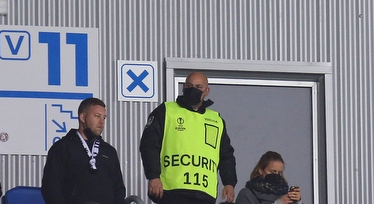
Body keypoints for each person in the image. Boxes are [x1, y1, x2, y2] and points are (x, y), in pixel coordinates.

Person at [139, 71, 236, 204]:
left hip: (204, 195)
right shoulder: (166, 111)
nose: (193, 90)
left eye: (198, 87)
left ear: (207, 91)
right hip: (172, 193)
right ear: (184, 87)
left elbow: (226, 156)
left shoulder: (216, 120)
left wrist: (229, 183)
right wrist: (153, 176)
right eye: (189, 85)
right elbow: (149, 145)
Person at [40, 97, 125, 204]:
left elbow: (118, 188)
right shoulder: (62, 148)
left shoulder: (109, 151)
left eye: (104, 118)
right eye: (97, 116)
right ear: (83, 117)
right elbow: (51, 187)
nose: (101, 122)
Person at [234, 152, 300, 204]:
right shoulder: (247, 194)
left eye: (279, 172)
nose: (276, 175)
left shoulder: (284, 193)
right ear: (261, 171)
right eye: (273, 171)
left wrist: (298, 201)